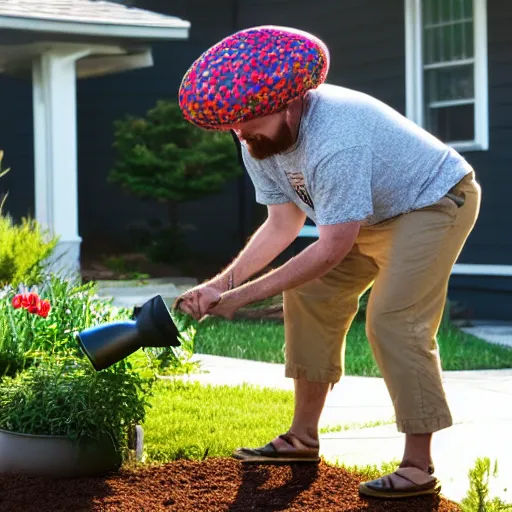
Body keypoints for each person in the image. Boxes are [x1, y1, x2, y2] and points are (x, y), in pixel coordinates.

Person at [175, 25, 481, 499]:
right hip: (369, 213)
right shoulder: (256, 137)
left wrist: (240, 298)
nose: (240, 132)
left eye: (248, 121)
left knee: (394, 321)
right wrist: (221, 285)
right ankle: (302, 438)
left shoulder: (336, 137)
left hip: (431, 201)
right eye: (234, 125)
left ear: (290, 102)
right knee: (310, 291)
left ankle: (418, 468)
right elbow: (283, 223)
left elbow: (333, 246)